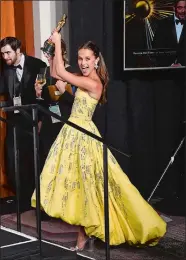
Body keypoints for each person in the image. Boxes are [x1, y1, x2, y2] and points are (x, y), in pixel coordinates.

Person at [31, 32, 166, 250]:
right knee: (78, 186)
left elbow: (60, 71)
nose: (83, 63)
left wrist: (56, 43)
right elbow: (57, 72)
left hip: (83, 135)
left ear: (96, 60)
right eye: (80, 58)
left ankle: (87, 236)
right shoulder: (85, 81)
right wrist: (56, 50)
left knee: (94, 187)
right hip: (71, 133)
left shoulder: (94, 83)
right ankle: (84, 234)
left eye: (87, 59)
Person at [0, 36, 46, 211]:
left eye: (7, 53)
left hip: (34, 120)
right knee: (12, 158)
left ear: (18, 50)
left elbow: (44, 96)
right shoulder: (6, 69)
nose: (5, 57)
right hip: (14, 122)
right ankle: (22, 199)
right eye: (2, 54)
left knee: (33, 159)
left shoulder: (38, 65)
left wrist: (41, 120)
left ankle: (37, 200)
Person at [153, 0, 186, 66]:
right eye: (180, 8)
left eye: (185, 7)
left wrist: (181, 64)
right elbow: (157, 47)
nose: (183, 11)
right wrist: (170, 64)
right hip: (166, 70)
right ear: (174, 8)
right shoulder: (163, 23)